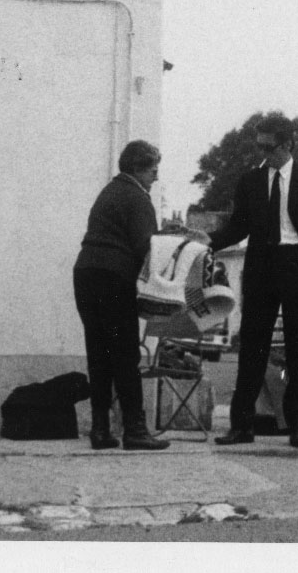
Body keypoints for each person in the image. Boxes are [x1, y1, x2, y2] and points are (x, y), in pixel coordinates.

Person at [207, 116, 298, 449]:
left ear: (287, 145)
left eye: (268, 147)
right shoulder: (251, 181)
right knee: (252, 345)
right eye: (258, 146)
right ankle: (241, 425)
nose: (262, 153)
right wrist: (209, 240)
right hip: (261, 265)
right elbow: (238, 227)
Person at [73, 140, 169, 451]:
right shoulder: (138, 197)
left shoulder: (109, 191)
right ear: (138, 169)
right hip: (114, 278)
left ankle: (100, 430)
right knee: (126, 354)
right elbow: (145, 246)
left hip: (86, 273)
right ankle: (135, 430)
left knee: (99, 353)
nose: (156, 176)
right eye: (153, 170)